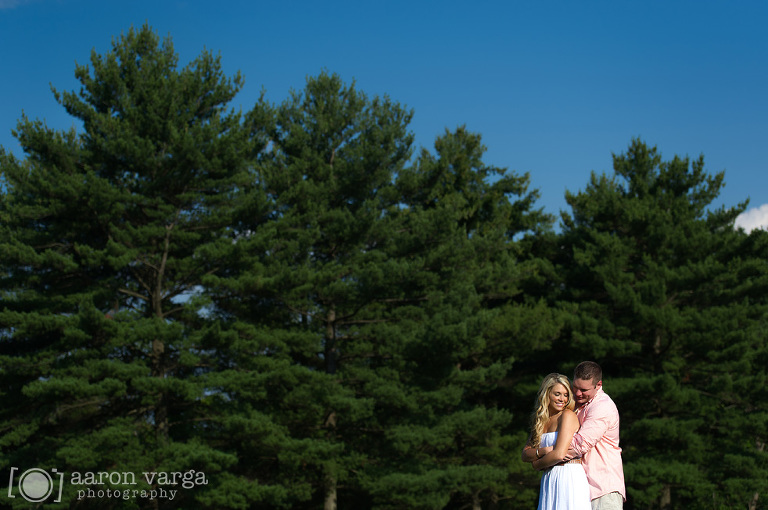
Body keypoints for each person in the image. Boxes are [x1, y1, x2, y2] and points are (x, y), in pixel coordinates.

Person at [521, 373, 591, 510]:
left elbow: (559, 454)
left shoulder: (567, 416)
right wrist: (544, 450)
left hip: (568, 476)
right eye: (557, 394)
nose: (562, 399)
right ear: (547, 394)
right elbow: (524, 455)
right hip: (549, 477)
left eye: (566, 395)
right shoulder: (541, 421)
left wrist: (536, 465)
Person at [569, 361, 626, 509]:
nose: (577, 393)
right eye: (575, 387)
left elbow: (579, 445)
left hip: (603, 488)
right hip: (584, 488)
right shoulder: (578, 403)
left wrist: (544, 454)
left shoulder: (603, 407)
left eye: (583, 389)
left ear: (598, 384)